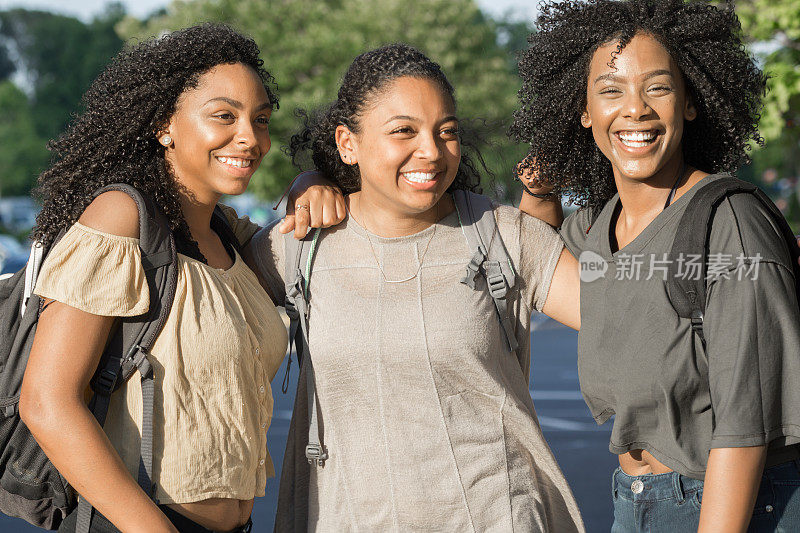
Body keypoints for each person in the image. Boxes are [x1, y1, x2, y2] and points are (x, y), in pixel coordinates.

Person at [249, 43, 584, 532]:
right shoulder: (297, 246)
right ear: (348, 143)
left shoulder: (504, 235)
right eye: (403, 131)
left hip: (495, 515)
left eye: (445, 132)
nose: (430, 150)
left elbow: (621, 320)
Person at [20, 23, 341, 533]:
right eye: (224, 116)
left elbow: (305, 242)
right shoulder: (121, 219)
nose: (250, 138)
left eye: (260, 120)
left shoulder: (227, 234)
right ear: (164, 124)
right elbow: (47, 402)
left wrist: (314, 179)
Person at [510, 1, 800, 531]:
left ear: (690, 102)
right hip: (636, 501)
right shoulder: (601, 225)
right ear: (584, 110)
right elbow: (537, 261)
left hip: (730, 504)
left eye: (658, 87)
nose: (635, 109)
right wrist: (542, 192)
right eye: (611, 90)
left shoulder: (728, 221)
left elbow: (746, 426)